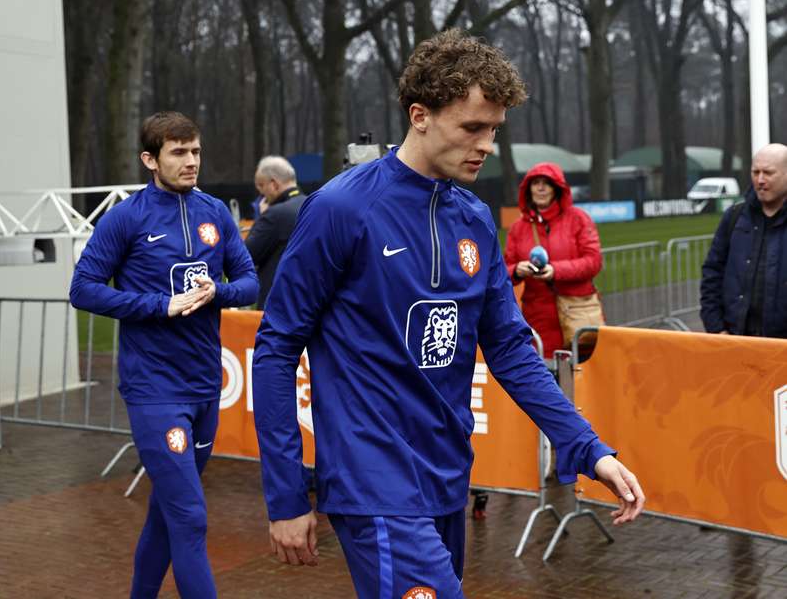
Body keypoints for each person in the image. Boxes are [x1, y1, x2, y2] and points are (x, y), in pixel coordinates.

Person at [251, 29, 644, 598]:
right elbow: (276, 348)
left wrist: (587, 447)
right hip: (372, 480)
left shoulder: (476, 218)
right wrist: (286, 494)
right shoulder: (340, 208)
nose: (486, 144)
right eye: (471, 128)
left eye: (494, 130)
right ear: (419, 116)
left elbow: (509, 348)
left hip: (447, 474)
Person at [69, 111, 258, 598]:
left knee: (166, 512)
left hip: (203, 388)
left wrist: (216, 292)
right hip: (155, 392)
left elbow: (250, 282)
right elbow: (83, 289)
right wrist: (160, 305)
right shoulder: (126, 218)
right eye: (178, 152)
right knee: (190, 515)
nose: (191, 161)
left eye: (195, 151)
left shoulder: (214, 212)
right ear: (150, 159)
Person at [503, 162, 603, 357]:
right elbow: (503, 272)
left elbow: (593, 261)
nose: (540, 188)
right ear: (528, 189)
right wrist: (517, 270)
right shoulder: (518, 228)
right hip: (537, 318)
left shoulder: (579, 219)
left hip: (577, 312)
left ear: (557, 189)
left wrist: (555, 271)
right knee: (544, 377)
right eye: (535, 183)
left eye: (546, 183)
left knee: (580, 376)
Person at [701, 143, 787, 338]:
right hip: (737, 344)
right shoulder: (734, 217)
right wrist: (716, 328)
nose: (760, 180)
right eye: (755, 172)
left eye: (768, 173)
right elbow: (712, 273)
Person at [245, 156, 307, 308]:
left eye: (261, 186)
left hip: (277, 305)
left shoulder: (275, 215)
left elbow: (246, 257)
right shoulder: (313, 205)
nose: (261, 195)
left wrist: (260, 217)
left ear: (273, 184)